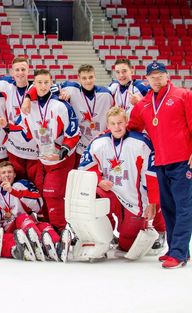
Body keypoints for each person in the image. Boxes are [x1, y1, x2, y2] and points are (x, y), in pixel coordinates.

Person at [128, 61, 192, 269]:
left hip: (183, 160)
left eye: (160, 75)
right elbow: (132, 127)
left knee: (184, 208)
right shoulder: (144, 104)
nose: (156, 79)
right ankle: (176, 248)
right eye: (152, 76)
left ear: (167, 76)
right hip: (161, 162)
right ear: (146, 79)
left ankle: (179, 253)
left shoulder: (183, 95)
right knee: (168, 208)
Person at [80, 106, 165, 258]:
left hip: (132, 199)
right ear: (107, 125)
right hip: (109, 192)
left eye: (120, 122)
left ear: (126, 122)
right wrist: (99, 180)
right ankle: (104, 234)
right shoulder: (99, 143)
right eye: (113, 123)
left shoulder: (141, 143)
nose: (117, 127)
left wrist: (152, 202)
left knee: (127, 245)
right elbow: (84, 166)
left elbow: (152, 175)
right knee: (92, 198)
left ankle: (141, 230)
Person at [22, 69, 81, 231]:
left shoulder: (61, 105)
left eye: (46, 82)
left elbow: (74, 134)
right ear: (33, 84)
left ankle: (60, 230)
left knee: (52, 193)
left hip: (61, 159)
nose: (42, 86)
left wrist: (62, 152)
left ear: (51, 83)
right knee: (40, 191)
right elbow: (23, 129)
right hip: (42, 158)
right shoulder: (28, 106)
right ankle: (46, 228)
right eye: (39, 82)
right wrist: (5, 126)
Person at [59, 64, 114, 166]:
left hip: (99, 146)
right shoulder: (71, 89)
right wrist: (61, 92)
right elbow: (50, 87)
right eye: (84, 78)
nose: (88, 81)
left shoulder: (106, 94)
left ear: (95, 76)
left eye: (91, 77)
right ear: (78, 78)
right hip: (79, 147)